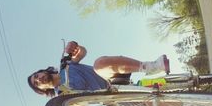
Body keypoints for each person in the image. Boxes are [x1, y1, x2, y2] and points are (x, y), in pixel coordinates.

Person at [28, 41, 170, 97]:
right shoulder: (61, 96)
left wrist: (76, 47)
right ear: (42, 89)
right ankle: (189, 105)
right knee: (153, 101)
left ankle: (151, 67)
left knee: (98, 64)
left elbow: (81, 53)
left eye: (36, 75)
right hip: (110, 96)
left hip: (111, 77)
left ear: (41, 71)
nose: (39, 79)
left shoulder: (65, 65)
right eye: (37, 83)